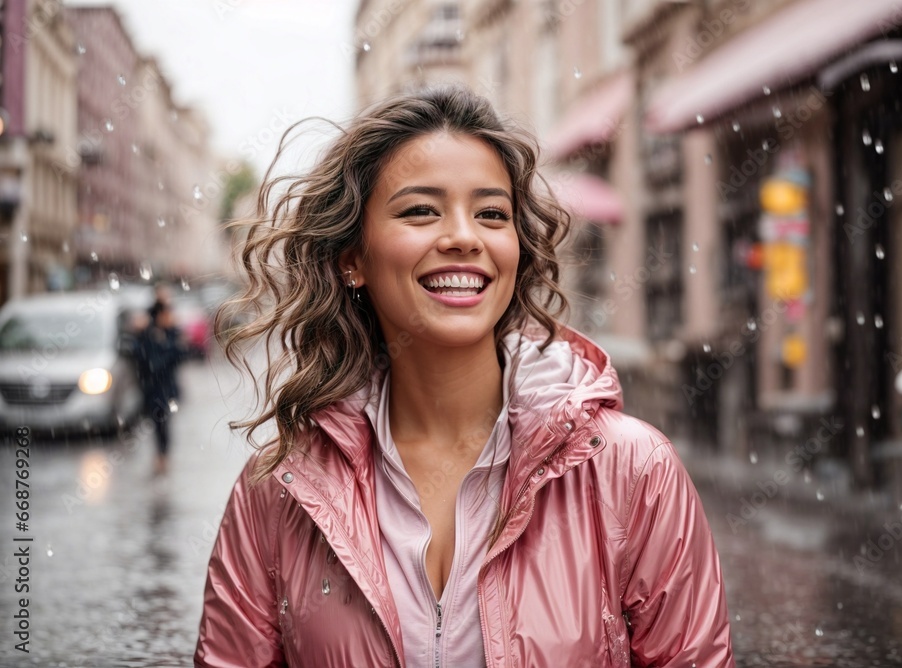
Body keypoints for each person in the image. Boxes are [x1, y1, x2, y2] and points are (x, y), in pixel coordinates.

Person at [195, 86, 735, 667]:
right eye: (420, 210)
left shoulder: (632, 469)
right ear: (353, 258)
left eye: (491, 214)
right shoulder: (279, 488)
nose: (463, 236)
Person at [133, 300, 185, 475]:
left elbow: (182, 354)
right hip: (154, 390)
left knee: (163, 424)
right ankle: (161, 455)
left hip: (166, 389)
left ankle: (163, 455)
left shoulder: (168, 333)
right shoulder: (149, 335)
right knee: (159, 424)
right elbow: (150, 362)